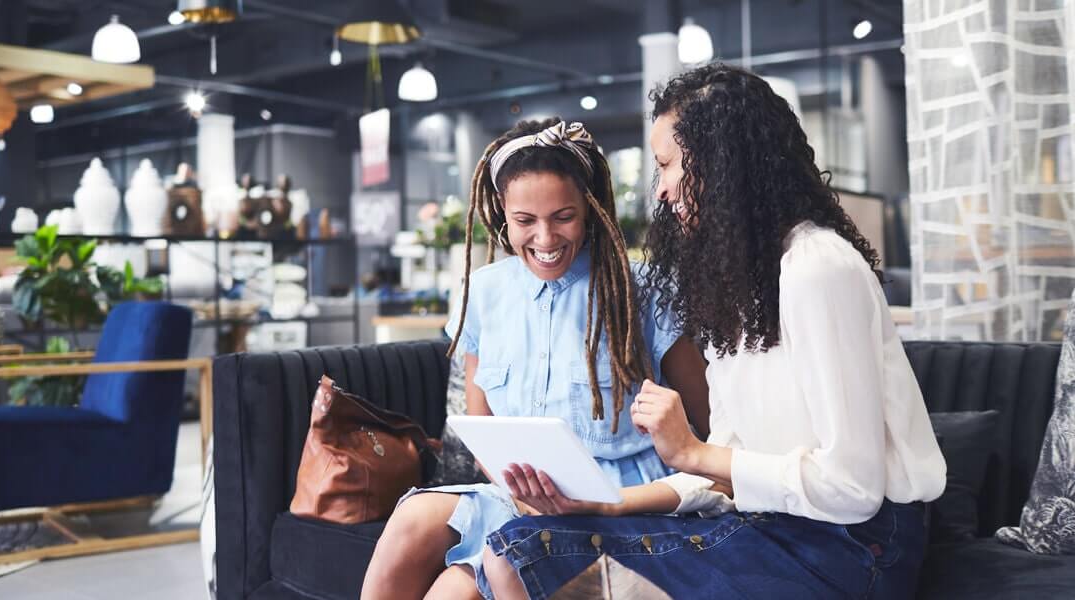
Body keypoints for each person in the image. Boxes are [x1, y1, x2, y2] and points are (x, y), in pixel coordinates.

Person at [481, 64, 947, 600]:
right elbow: (728, 472)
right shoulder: (737, 283)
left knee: (527, 557)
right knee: (513, 546)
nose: (661, 190)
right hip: (774, 524)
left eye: (668, 165)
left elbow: (852, 490)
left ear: (722, 162)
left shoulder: (817, 267)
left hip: (858, 546)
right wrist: (605, 502)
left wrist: (690, 451)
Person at [360, 118, 709, 600]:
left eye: (562, 216)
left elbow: (707, 428)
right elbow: (480, 424)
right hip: (520, 496)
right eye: (525, 220)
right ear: (503, 212)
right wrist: (521, 489)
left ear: (589, 208)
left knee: (451, 593)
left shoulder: (643, 289)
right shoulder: (483, 291)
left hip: (621, 502)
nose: (544, 239)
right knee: (411, 520)